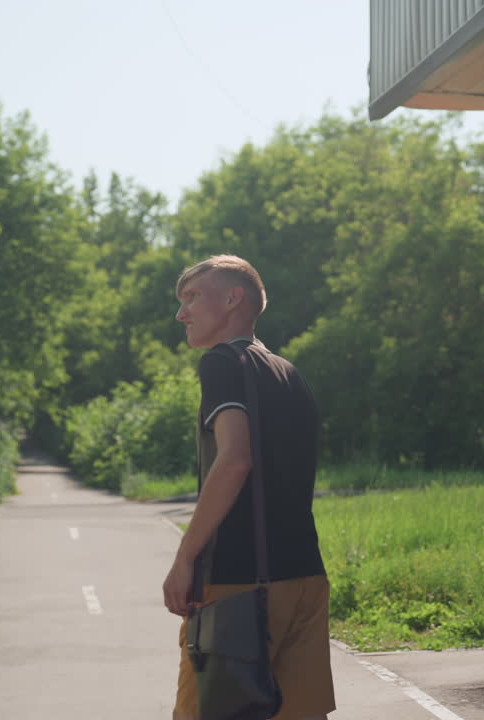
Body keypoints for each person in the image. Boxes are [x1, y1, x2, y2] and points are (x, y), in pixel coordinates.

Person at [163, 255, 335, 720]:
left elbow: (234, 460)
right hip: (304, 578)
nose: (182, 313)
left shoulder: (222, 363)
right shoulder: (288, 372)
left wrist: (185, 559)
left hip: (237, 584)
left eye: (193, 297)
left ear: (233, 299)